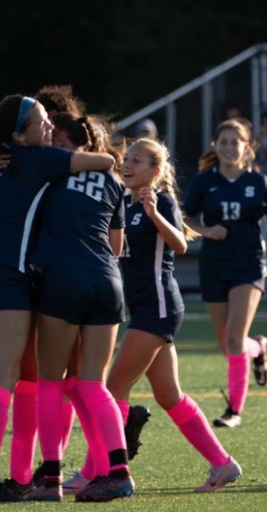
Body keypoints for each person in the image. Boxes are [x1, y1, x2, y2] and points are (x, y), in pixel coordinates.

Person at [0, 94, 116, 503]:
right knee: (6, 380)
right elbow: (106, 163)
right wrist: (73, 155)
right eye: (42, 122)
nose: (50, 128)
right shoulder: (39, 158)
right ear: (20, 134)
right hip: (7, 276)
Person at [96, 138, 245, 493]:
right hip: (145, 308)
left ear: (156, 170)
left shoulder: (159, 201)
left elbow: (180, 244)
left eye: (137, 160)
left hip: (158, 308)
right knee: (170, 397)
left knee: (115, 385)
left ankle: (101, 469)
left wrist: (155, 215)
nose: (127, 164)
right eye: (126, 159)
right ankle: (223, 464)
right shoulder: (122, 202)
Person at [29, 112, 134, 503]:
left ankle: (50, 479)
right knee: (93, 384)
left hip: (64, 277)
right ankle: (119, 472)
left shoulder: (51, 169)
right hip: (108, 281)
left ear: (61, 140)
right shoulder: (111, 179)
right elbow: (118, 246)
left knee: (49, 383)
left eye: (50, 135)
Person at [181, 118, 267, 428]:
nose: (230, 147)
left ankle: (234, 411)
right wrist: (205, 230)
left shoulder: (258, 183)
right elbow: (184, 218)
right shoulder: (205, 182)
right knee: (230, 343)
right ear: (215, 146)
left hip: (248, 265)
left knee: (233, 339)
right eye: (224, 141)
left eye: (236, 142)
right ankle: (257, 347)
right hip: (214, 265)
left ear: (248, 148)